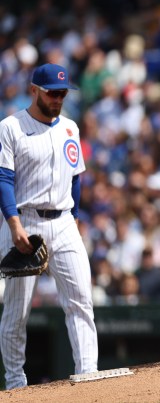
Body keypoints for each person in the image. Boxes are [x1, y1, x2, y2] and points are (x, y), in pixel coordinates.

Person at [0, 63, 98, 389]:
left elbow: (76, 178)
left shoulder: (70, 127)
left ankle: (88, 376)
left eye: (62, 93)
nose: (57, 98)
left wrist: (75, 219)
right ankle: (15, 383)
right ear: (34, 90)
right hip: (25, 222)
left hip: (65, 221)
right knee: (17, 313)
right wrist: (14, 225)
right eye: (51, 93)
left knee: (82, 302)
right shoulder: (11, 127)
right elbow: (3, 179)